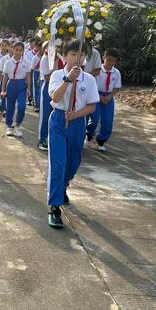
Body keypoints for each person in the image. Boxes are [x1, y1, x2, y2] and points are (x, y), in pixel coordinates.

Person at [46, 38, 99, 229]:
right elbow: (55, 97)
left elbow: (92, 106)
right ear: (65, 56)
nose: (77, 59)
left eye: (81, 55)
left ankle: (63, 186)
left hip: (77, 123)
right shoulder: (57, 75)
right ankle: (54, 207)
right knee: (58, 164)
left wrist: (76, 113)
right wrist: (68, 79)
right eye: (73, 54)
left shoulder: (89, 79)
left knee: (73, 163)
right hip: (59, 121)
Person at [86, 47, 121, 152]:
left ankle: (101, 141)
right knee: (94, 118)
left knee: (107, 121)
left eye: (113, 61)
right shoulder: (98, 71)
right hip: (96, 95)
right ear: (103, 57)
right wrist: (99, 96)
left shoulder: (116, 73)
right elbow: (92, 84)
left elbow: (117, 87)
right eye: (108, 59)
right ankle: (89, 136)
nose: (110, 63)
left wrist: (110, 96)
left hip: (108, 97)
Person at [1, 41, 32, 138]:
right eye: (16, 50)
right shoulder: (8, 62)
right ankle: (9, 126)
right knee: (10, 106)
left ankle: (18, 125)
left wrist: (29, 89)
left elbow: (28, 76)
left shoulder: (26, 62)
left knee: (22, 106)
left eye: (20, 50)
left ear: (23, 51)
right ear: (12, 50)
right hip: (11, 84)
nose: (18, 52)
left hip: (21, 85)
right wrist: (3, 89)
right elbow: (5, 77)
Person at [38, 43, 65, 151]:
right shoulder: (45, 58)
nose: (54, 50)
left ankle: (55, 138)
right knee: (45, 114)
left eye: (57, 47)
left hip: (61, 87)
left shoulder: (60, 58)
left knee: (58, 113)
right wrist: (61, 76)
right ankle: (42, 139)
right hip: (48, 86)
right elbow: (47, 76)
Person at [0, 43, 13, 122]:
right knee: (2, 97)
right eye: (11, 47)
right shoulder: (4, 59)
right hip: (4, 80)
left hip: (13, 81)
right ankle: (0, 112)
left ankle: (9, 114)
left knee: (11, 99)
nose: (12, 49)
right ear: (8, 48)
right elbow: (0, 72)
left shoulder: (19, 59)